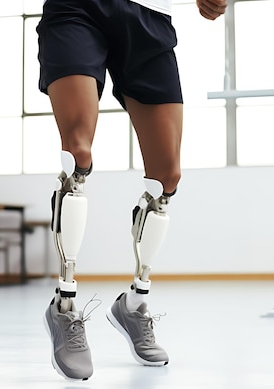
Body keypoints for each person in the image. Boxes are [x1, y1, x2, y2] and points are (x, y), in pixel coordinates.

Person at [37, 0, 227, 381]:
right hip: (79, 8)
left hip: (150, 16)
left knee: (166, 178)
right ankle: (65, 305)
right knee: (77, 154)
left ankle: (135, 304)